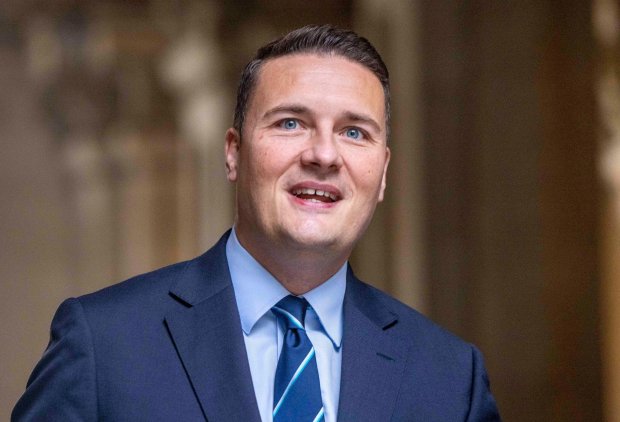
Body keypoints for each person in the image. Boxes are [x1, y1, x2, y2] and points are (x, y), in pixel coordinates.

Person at [12, 25, 500, 421]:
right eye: (291, 123)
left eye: (354, 132)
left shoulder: (451, 379)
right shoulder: (104, 345)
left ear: (384, 173)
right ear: (233, 153)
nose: (324, 154)